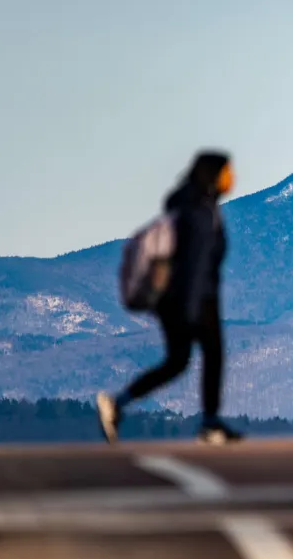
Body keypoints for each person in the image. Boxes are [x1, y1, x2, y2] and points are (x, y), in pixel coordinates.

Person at [98, 152, 243, 445]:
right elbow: (193, 264)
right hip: (194, 299)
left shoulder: (194, 207)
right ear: (214, 175)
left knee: (178, 361)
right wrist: (191, 309)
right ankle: (210, 424)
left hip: (179, 300)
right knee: (211, 354)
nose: (233, 177)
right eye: (228, 171)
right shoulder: (198, 212)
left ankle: (117, 403)